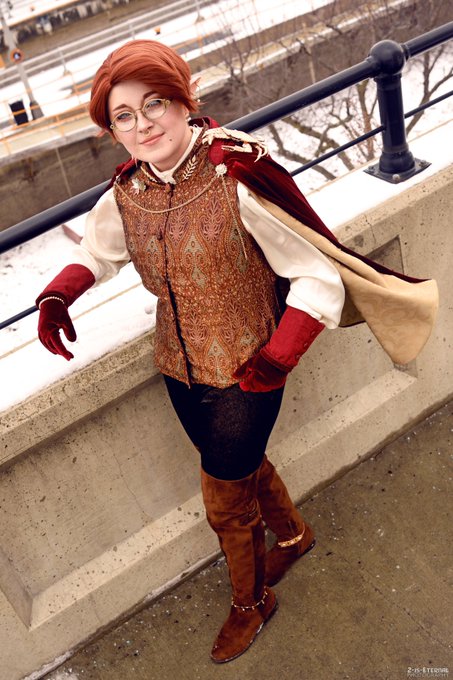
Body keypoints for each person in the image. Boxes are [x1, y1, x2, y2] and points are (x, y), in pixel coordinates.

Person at [35, 39, 438, 664]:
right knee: (239, 468)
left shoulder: (237, 175)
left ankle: (251, 603)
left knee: (225, 502)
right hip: (177, 366)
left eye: (154, 104)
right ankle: (294, 536)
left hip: (250, 369)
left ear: (184, 101)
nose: (143, 125)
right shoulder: (127, 192)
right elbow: (99, 251)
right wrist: (60, 293)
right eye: (124, 116)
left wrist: (278, 358)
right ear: (112, 132)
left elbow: (316, 274)